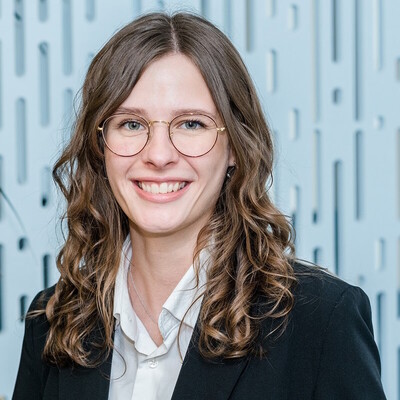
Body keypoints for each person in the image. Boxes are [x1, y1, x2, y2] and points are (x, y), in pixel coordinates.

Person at [12, 11, 385, 400]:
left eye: (191, 124)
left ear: (235, 147)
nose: (159, 155)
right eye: (131, 124)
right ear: (100, 145)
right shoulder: (52, 321)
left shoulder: (322, 322)